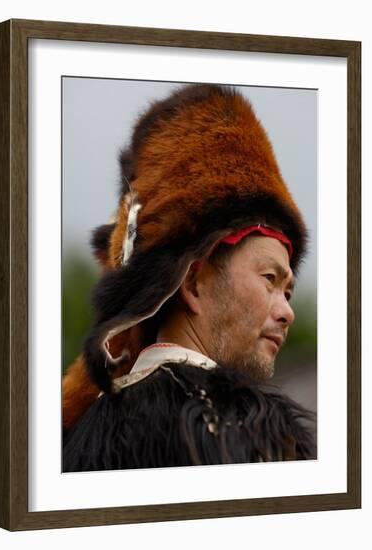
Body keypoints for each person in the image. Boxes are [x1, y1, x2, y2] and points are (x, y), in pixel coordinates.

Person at [62, 83, 316, 471]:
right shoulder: (251, 431)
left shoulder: (78, 442)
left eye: (288, 291)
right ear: (194, 282)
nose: (287, 312)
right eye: (269, 278)